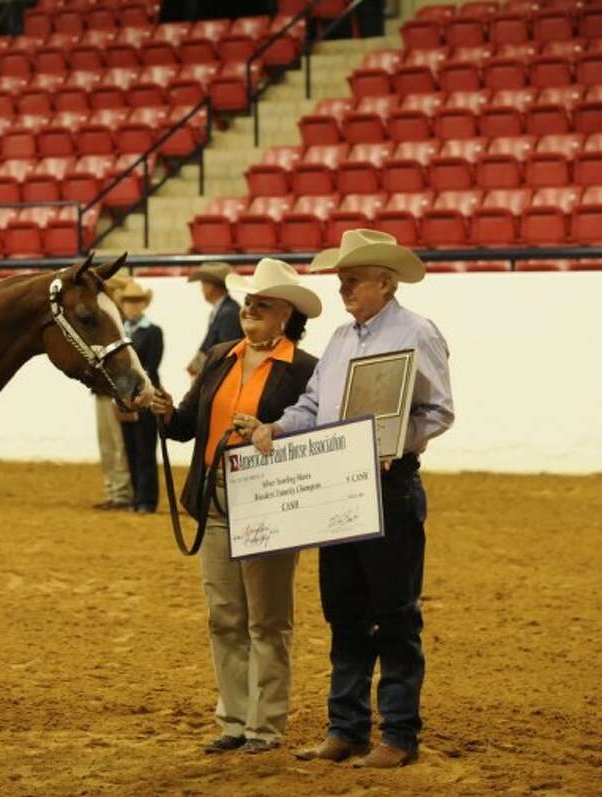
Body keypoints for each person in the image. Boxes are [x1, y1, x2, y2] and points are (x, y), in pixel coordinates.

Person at [249, 229, 455, 769]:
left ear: (386, 284)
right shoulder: (340, 339)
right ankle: (346, 728)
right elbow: (313, 408)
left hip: (389, 484)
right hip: (337, 482)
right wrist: (276, 427)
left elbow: (438, 413)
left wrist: (392, 443)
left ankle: (400, 734)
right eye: (342, 280)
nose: (343, 288)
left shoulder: (418, 332)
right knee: (344, 610)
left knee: (394, 612)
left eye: (353, 280)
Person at [150, 258, 321, 755]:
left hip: (267, 501)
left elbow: (312, 431)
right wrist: (163, 412)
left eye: (262, 305)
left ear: (285, 315)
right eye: (248, 303)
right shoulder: (222, 354)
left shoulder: (304, 369)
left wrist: (269, 433)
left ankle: (264, 726)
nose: (250, 310)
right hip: (214, 496)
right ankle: (233, 720)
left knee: (267, 619)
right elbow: (186, 424)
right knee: (224, 615)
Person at [115, 280, 163, 514]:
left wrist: (133, 392)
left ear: (143, 304)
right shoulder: (119, 332)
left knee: (145, 448)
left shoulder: (153, 332)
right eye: (128, 302)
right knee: (130, 448)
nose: (132, 307)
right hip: (125, 395)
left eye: (136, 302)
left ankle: (148, 498)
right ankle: (137, 496)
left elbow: (151, 367)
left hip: (144, 396)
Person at [92, 273, 135, 510]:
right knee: (108, 442)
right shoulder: (110, 322)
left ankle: (121, 492)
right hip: (104, 389)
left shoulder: (122, 324)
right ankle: (114, 489)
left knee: (117, 443)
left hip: (116, 390)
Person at [186, 263, 243, 379]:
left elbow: (227, 351)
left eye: (203, 284)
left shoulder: (228, 313)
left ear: (211, 286)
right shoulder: (224, 310)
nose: (201, 290)